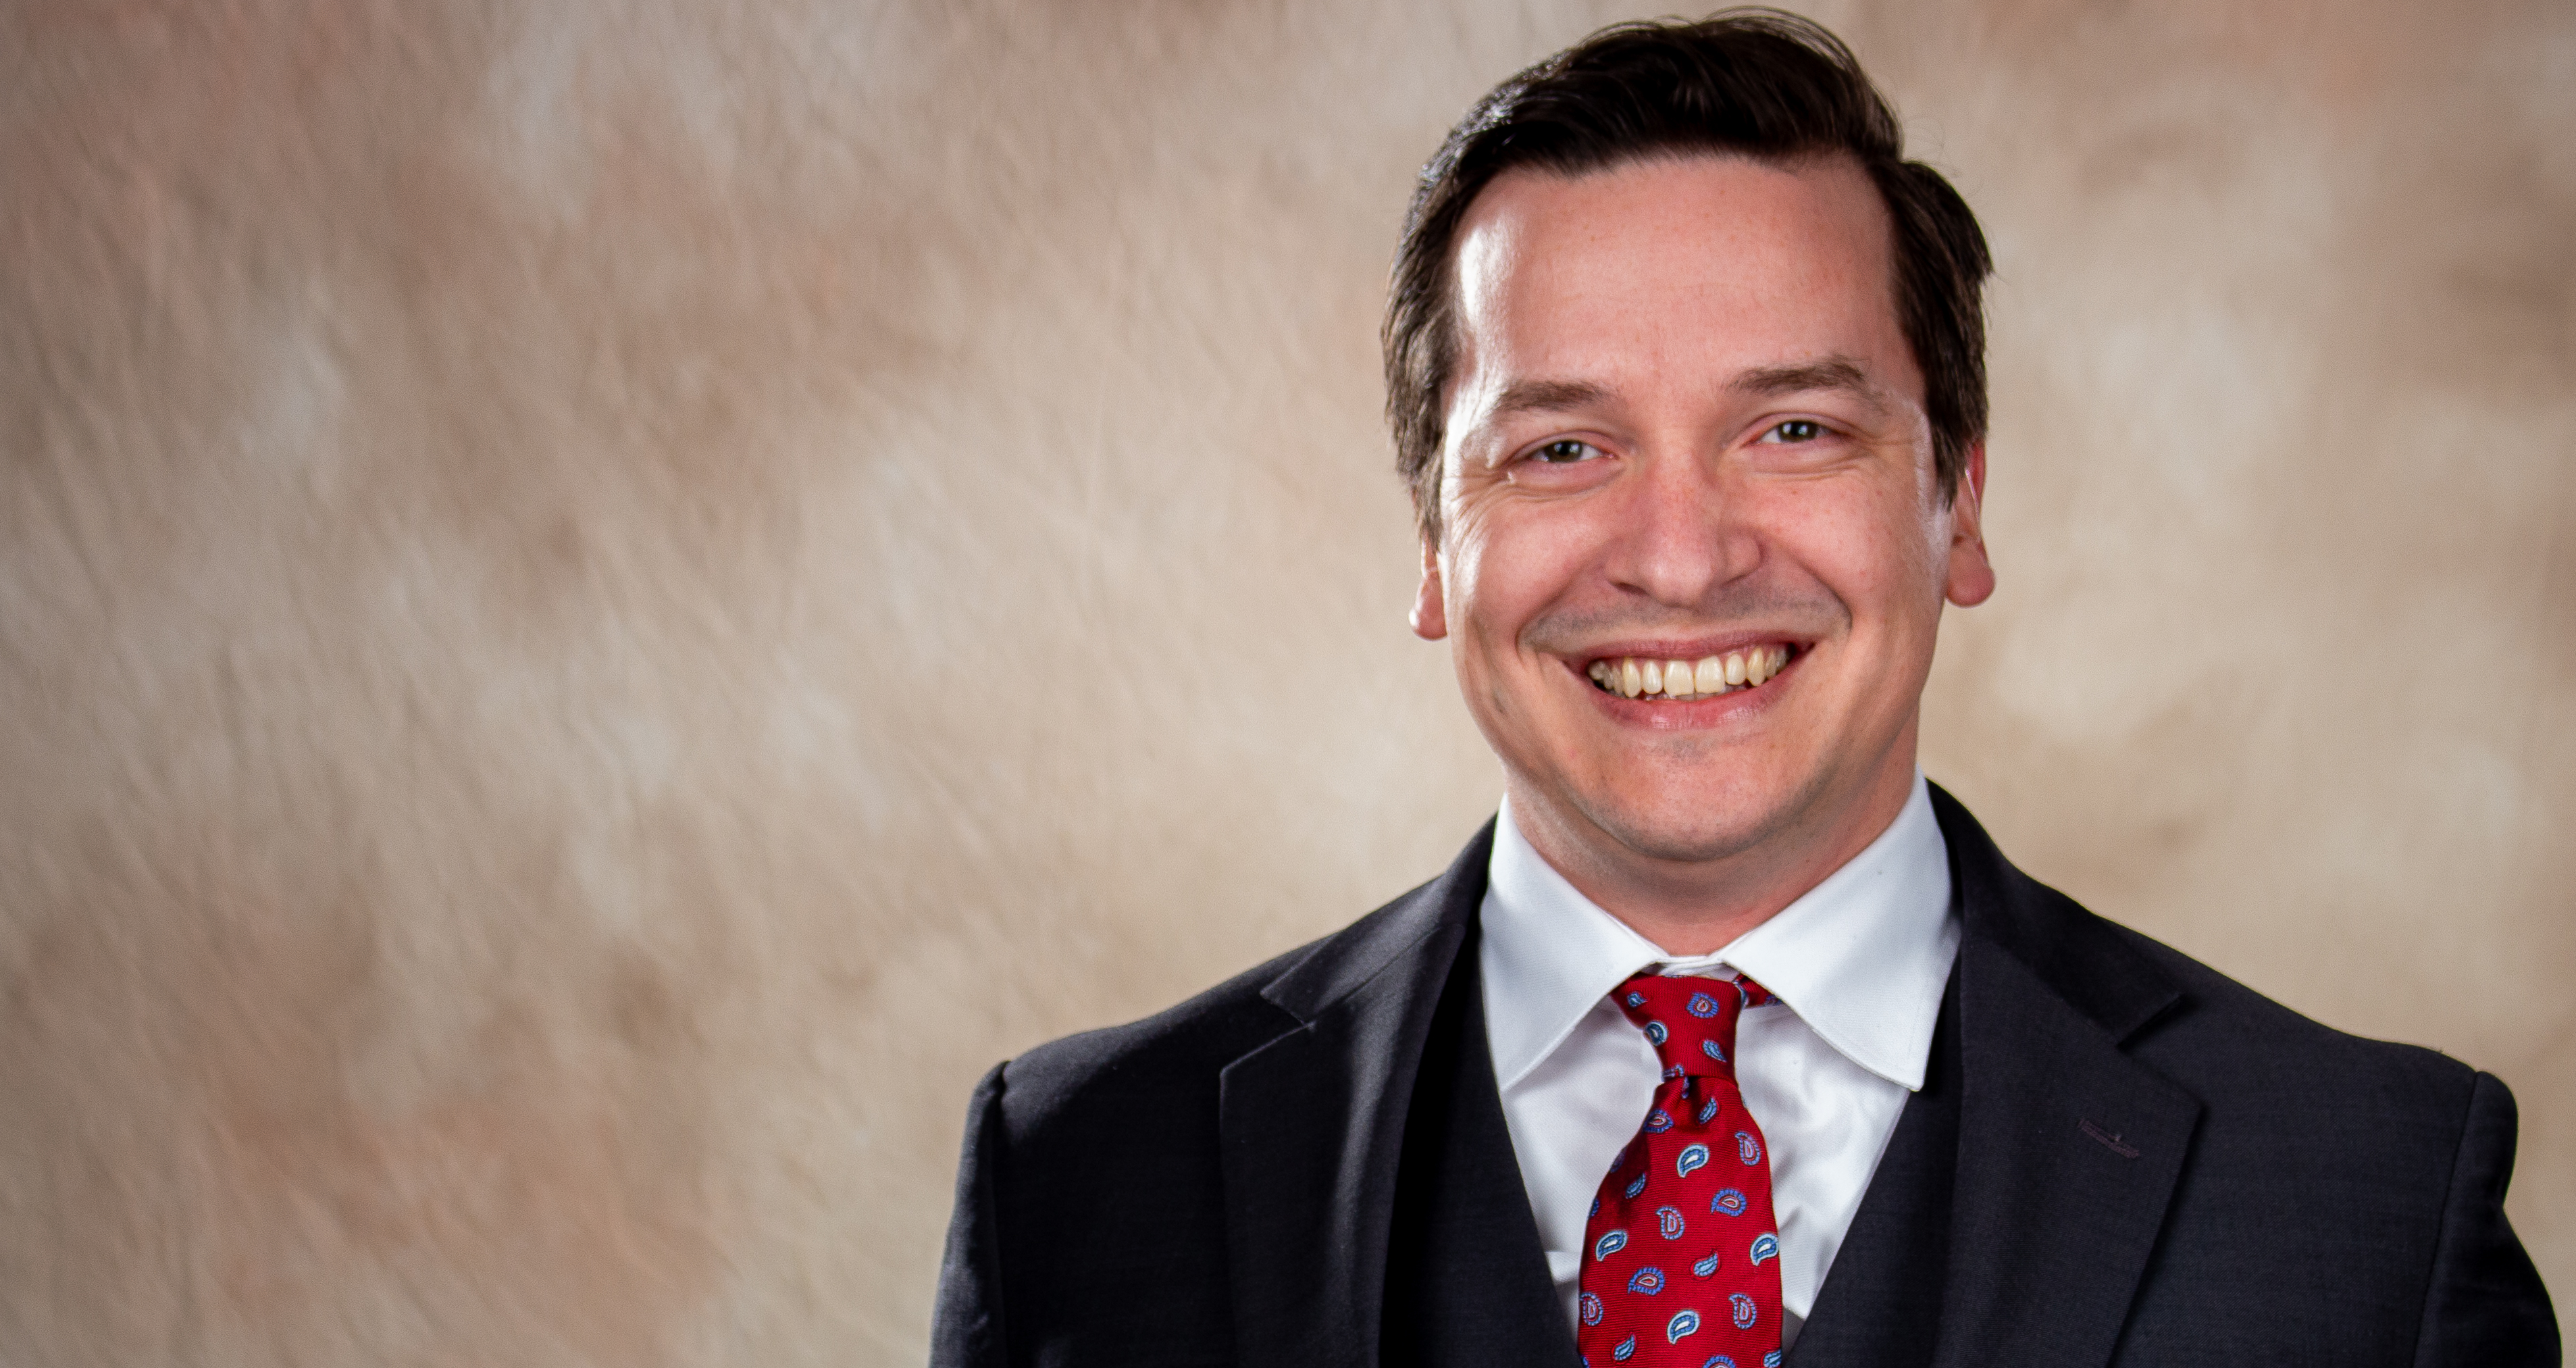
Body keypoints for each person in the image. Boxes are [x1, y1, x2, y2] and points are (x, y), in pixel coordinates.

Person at [928, 12, 2559, 1367]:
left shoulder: (2369, 1207)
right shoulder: (1077, 1178)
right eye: (1562, 448)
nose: (1682, 555)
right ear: (1433, 542)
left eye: (1793, 429)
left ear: (1958, 500)